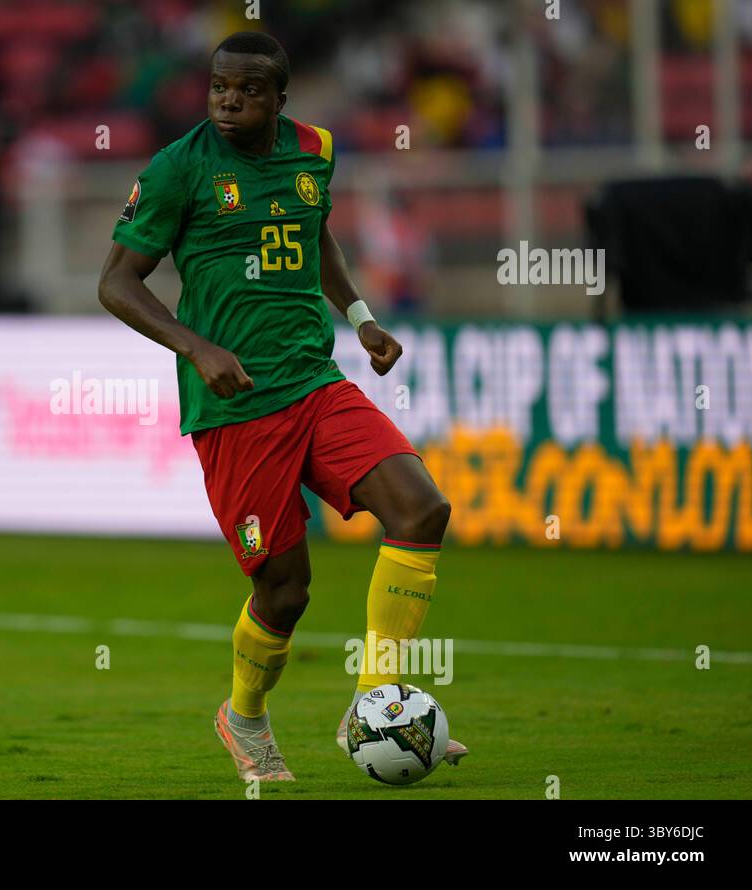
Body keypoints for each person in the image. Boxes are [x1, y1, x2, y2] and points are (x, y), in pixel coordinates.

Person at [97, 31, 467, 781]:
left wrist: (360, 318)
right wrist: (196, 347)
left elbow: (314, 235)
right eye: (218, 88)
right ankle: (244, 717)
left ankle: (376, 697)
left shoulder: (315, 151)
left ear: (280, 98)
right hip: (235, 408)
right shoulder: (179, 170)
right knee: (284, 590)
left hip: (314, 380)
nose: (229, 101)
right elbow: (115, 282)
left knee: (422, 510)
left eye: (247, 90)